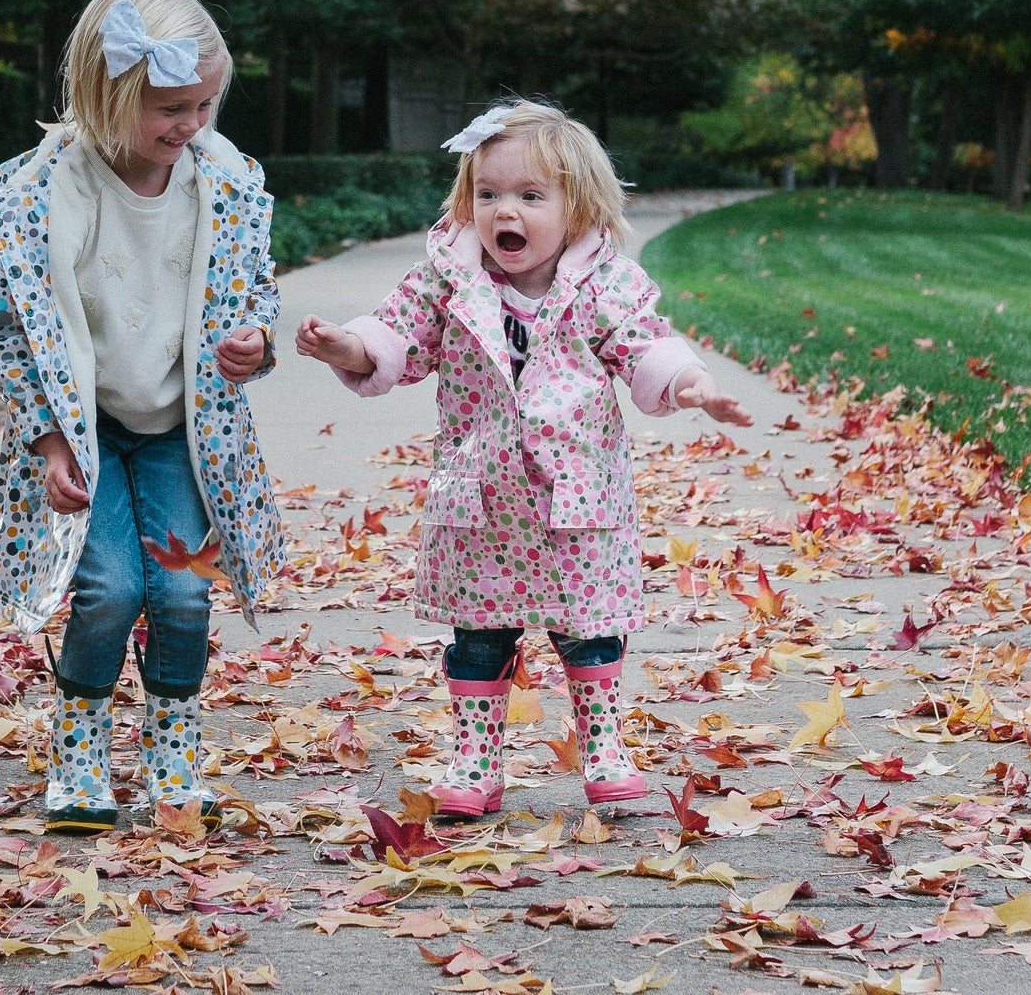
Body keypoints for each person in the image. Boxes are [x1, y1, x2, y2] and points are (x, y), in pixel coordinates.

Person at [296, 100, 751, 818]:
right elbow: (395, 338)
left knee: (589, 625)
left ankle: (602, 743)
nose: (504, 210)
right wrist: (344, 347)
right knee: (478, 635)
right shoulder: (447, 279)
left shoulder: (604, 285)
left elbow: (642, 345)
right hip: (479, 499)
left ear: (576, 209)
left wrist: (692, 383)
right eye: (488, 194)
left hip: (576, 496)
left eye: (529, 196)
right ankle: (475, 759)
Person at [0, 0, 285, 832]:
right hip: (89, 434)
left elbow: (255, 290)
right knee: (109, 587)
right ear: (109, 95)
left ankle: (172, 745)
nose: (190, 126)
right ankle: (79, 743)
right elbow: (9, 333)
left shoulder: (224, 182)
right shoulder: (40, 196)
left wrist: (255, 340)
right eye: (171, 107)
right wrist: (45, 443)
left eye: (204, 104)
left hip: (185, 432)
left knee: (183, 593)